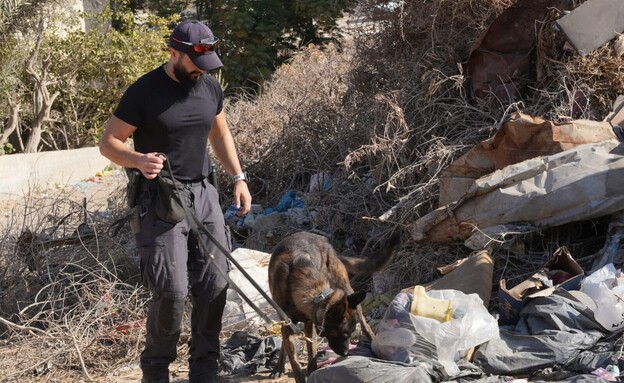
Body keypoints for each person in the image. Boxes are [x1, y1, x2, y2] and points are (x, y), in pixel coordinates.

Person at [99, 19, 252, 383]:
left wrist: (239, 177)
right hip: (162, 200)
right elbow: (109, 143)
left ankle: (204, 371)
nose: (202, 70)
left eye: (208, 63)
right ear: (173, 53)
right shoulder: (145, 91)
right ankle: (156, 372)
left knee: (215, 283)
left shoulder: (209, 86)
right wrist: (138, 160)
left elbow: (221, 132)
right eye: (196, 63)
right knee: (172, 291)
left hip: (204, 195)